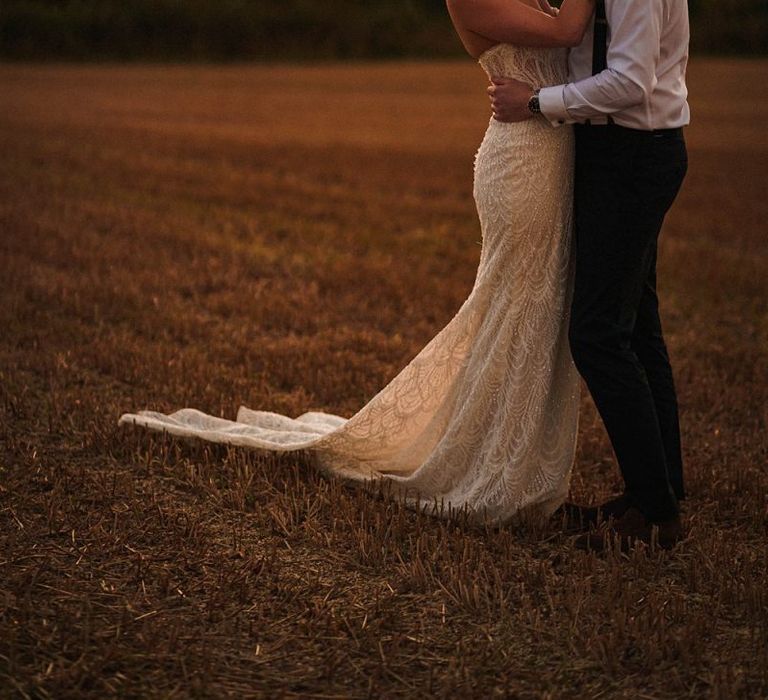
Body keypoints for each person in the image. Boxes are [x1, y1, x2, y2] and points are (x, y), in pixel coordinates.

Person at [119, 1, 597, 529]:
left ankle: (516, 466)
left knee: (541, 308)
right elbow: (569, 29)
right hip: (523, 163)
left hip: (553, 153)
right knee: (515, 309)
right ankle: (496, 469)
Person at [488, 0, 690, 551]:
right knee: (637, 327)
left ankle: (655, 516)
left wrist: (534, 102)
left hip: (634, 155)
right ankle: (656, 491)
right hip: (611, 151)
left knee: (597, 334)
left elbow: (629, 81)